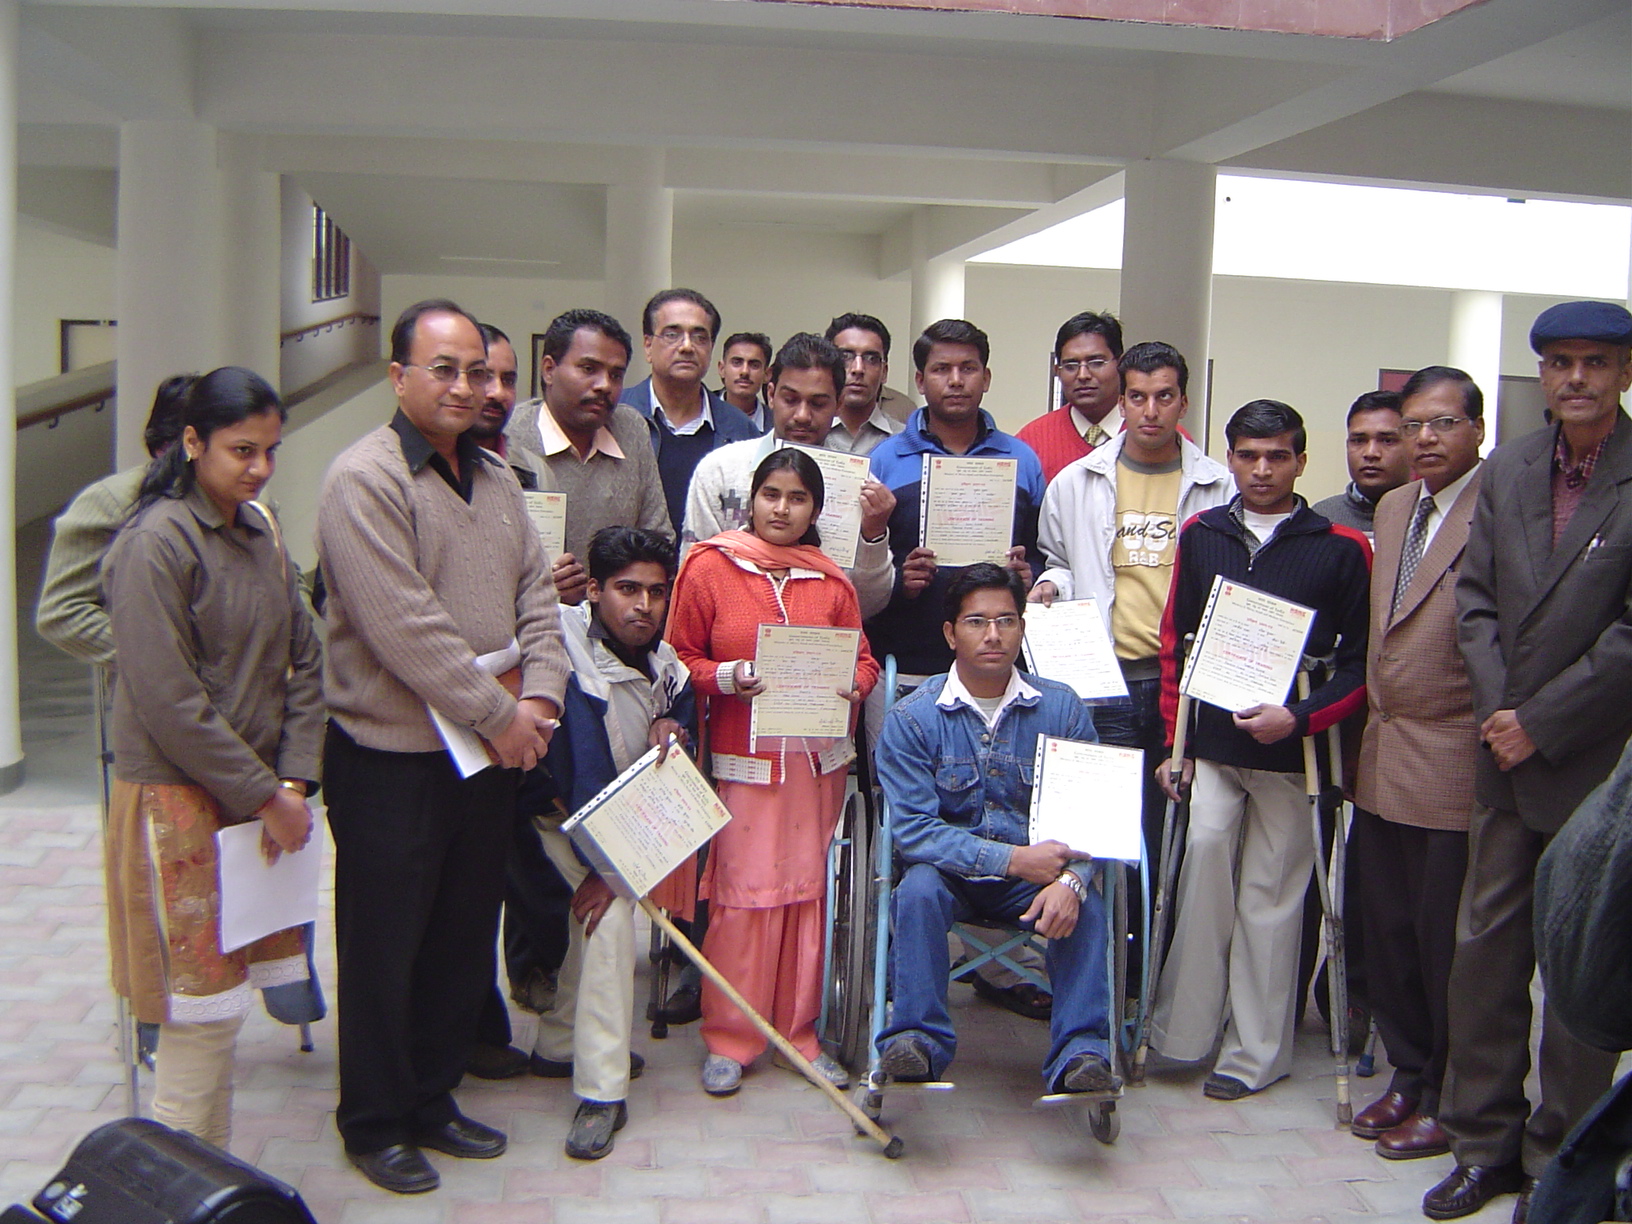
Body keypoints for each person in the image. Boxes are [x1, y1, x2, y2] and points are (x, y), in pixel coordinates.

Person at [317, 298, 567, 1195]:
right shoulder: (365, 479)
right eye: (447, 369)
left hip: (485, 757)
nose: (470, 387)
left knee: (461, 935)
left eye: (484, 372)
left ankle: (431, 1099)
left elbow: (539, 601)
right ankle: (374, 1121)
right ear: (399, 378)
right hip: (391, 758)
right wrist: (500, 718)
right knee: (386, 945)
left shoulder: (498, 480)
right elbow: (403, 629)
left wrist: (538, 698)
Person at [1425, 300, 1632, 1224]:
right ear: (1541, 373)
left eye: (1595, 362)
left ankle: (1562, 1158)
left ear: (1624, 372)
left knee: (1581, 963)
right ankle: (1482, 1144)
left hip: (1597, 758)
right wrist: (1503, 709)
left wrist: (1540, 719)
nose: (1575, 379)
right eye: (1559, 363)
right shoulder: (1507, 468)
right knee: (1487, 954)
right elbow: (1473, 598)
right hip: (1502, 752)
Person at [100, 366, 321, 1150]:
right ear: (191, 443)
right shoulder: (155, 542)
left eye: (269, 450)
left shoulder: (258, 528)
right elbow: (170, 704)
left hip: (259, 794)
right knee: (193, 1019)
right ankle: (175, 1184)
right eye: (241, 450)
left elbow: (305, 659)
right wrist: (268, 795)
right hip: (177, 800)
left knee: (223, 1017)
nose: (258, 468)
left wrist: (291, 780)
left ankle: (210, 1182)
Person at [1149, 399, 1371, 1101]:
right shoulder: (1203, 533)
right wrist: (1171, 747)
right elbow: (1171, 646)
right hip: (1209, 743)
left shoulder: (1340, 546)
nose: (1263, 469)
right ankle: (1181, 1035)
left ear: (1302, 461)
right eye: (1248, 455)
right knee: (1202, 872)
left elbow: (1362, 666)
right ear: (1230, 458)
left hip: (1292, 755)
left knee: (1272, 901)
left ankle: (1254, 1054)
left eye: (1278, 456)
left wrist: (1300, 719)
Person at [666, 448, 878, 1097]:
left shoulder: (831, 583)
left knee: (805, 895)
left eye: (797, 499)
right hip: (741, 764)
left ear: (816, 510)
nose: (782, 509)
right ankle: (730, 1037)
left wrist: (855, 687)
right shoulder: (709, 568)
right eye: (771, 495)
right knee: (741, 898)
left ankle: (798, 1034)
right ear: (750, 499)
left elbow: (864, 660)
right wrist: (725, 677)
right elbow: (676, 656)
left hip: (815, 769)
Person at [872, 562, 1116, 1093]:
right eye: (977, 622)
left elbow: (1091, 813)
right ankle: (915, 1040)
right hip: (949, 877)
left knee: (1087, 903)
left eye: (1006, 621)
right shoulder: (913, 718)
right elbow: (913, 832)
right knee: (915, 890)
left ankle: (1081, 1054)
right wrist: (1010, 859)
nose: (992, 635)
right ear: (949, 633)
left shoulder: (1061, 707)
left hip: (1035, 880)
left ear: (1023, 629)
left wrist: (1070, 881)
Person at [1031, 341, 1230, 946]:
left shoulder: (1217, 486)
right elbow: (1059, 559)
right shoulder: (1076, 481)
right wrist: (1046, 584)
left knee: (1169, 827)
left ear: (1183, 402)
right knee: (1093, 834)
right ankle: (1095, 970)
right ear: (1122, 401)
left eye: (1164, 397)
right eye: (1137, 397)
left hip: (1178, 686)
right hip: (1102, 682)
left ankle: (1150, 971)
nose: (1150, 411)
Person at [1349, 366, 1485, 1161]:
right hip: (1384, 752)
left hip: (1454, 757)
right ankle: (1407, 1073)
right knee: (1389, 931)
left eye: (1441, 424)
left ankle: (1447, 1094)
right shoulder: (1397, 506)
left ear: (1475, 432)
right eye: (1414, 426)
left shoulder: (1495, 508)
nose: (1424, 440)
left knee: (1447, 944)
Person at [528, 526, 695, 1160]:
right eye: (627, 590)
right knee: (612, 917)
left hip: (608, 830)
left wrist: (673, 725)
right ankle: (601, 1090)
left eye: (656, 591)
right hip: (548, 823)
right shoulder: (564, 653)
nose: (643, 606)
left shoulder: (667, 664)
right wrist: (612, 870)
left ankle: (559, 1042)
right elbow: (582, 771)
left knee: (598, 911)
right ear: (594, 591)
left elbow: (683, 759)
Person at [463, 320, 574, 1083]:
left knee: (520, 864)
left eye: (505, 380)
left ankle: (490, 1020)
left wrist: (533, 702)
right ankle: (460, 1033)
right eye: (478, 377)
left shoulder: (520, 473)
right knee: (456, 894)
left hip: (526, 710)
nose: (492, 394)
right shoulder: (386, 478)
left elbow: (535, 599)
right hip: (443, 723)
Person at [865, 318, 1045, 721]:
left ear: (987, 377)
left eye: (968, 368)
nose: (956, 380)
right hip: (907, 662)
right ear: (920, 380)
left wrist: (1027, 573)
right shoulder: (884, 460)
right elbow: (866, 560)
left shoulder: (1022, 459)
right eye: (941, 369)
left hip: (997, 668)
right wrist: (899, 580)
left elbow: (1042, 554)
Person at [682, 332, 897, 618]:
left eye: (818, 404)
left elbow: (867, 606)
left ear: (839, 402)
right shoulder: (720, 471)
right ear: (770, 394)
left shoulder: (861, 486)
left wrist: (873, 536)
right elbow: (693, 586)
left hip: (822, 649)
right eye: (791, 400)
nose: (802, 416)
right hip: (730, 649)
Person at [506, 309, 673, 606]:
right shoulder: (510, 440)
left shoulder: (631, 429)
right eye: (588, 368)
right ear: (548, 370)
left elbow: (658, 539)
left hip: (617, 625)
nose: (604, 385)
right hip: (528, 624)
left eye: (616, 374)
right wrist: (539, 585)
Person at [37, 374, 193, 667]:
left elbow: (286, 578)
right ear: (163, 445)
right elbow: (62, 612)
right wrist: (165, 660)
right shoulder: (111, 501)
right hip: (161, 695)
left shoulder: (244, 501)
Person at [621, 288, 759, 532]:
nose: (686, 347)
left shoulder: (739, 429)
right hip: (633, 567)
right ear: (648, 345)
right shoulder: (617, 415)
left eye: (699, 337)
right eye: (672, 334)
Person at [1016, 311, 1124, 485]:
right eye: (1071, 365)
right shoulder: (1031, 441)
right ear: (1057, 371)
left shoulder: (1162, 435)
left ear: (1120, 364)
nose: (1083, 375)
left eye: (1096, 362)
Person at [1312, 390, 1411, 540]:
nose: (1371, 453)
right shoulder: (1322, 518)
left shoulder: (1428, 515)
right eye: (1358, 441)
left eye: (1387, 440)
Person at [823, 312, 903, 457]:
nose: (858, 368)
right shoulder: (807, 433)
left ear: (884, 372)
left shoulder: (905, 441)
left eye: (871, 358)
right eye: (845, 356)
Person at [717, 331, 772, 433]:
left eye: (754, 365)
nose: (745, 371)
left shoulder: (775, 426)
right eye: (737, 363)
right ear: (722, 369)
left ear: (767, 374)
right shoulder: (700, 411)